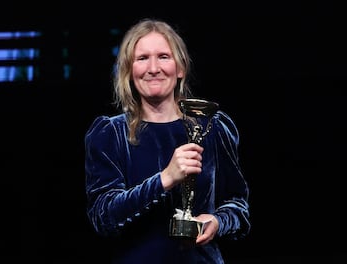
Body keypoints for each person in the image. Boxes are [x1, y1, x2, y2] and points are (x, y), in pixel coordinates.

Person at [84, 18, 250, 263]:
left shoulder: (212, 126)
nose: (153, 68)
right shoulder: (110, 133)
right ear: (129, 70)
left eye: (163, 56)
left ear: (180, 67)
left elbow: (237, 204)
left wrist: (217, 221)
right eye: (142, 58)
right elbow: (103, 217)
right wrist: (165, 179)